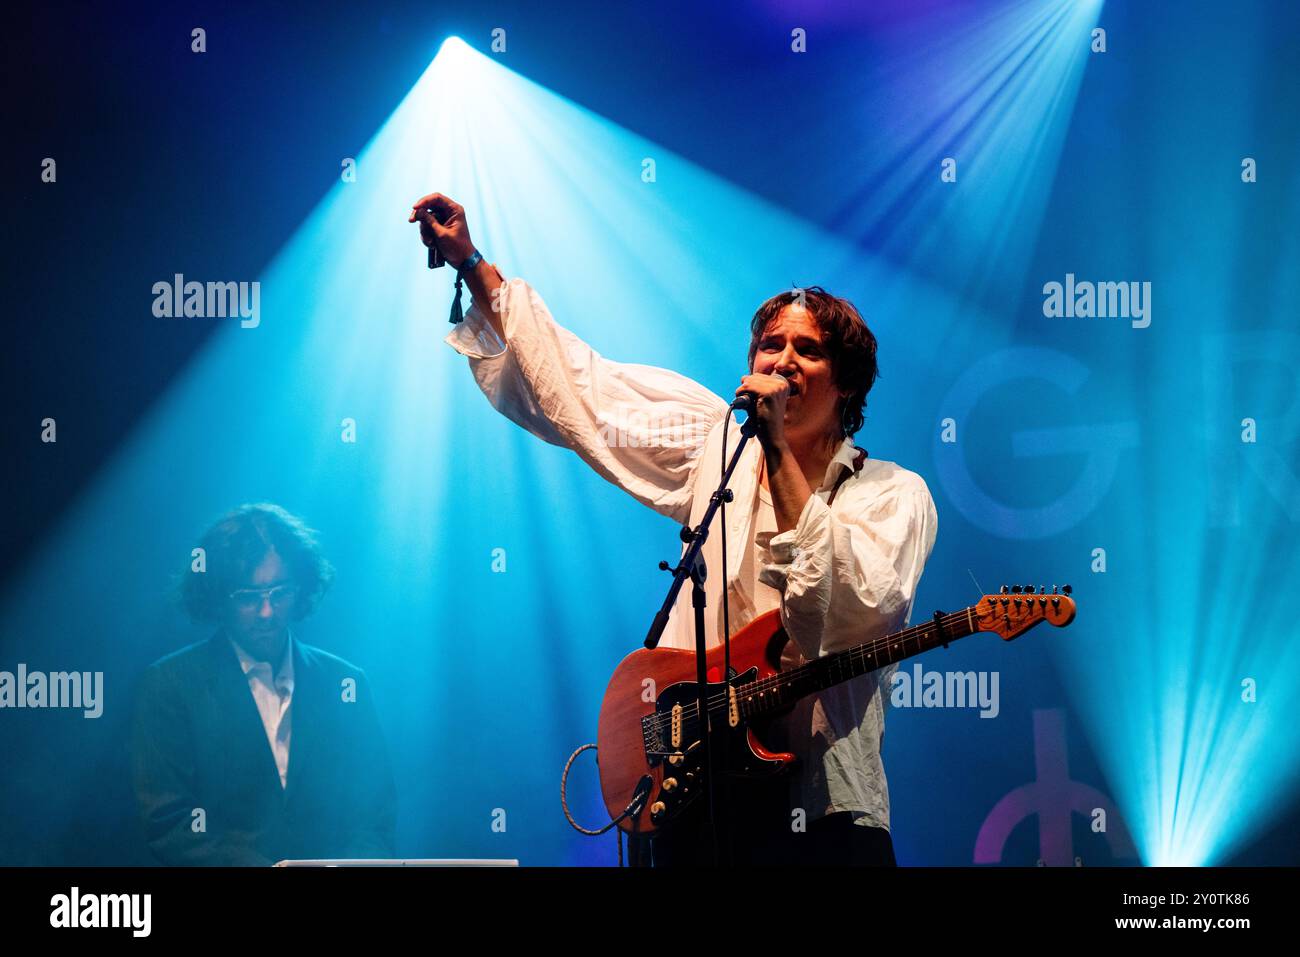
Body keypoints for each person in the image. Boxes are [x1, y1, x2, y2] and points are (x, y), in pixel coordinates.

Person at [412, 193, 937, 866]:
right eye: (770, 344)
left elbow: (837, 620)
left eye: (806, 350)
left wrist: (776, 449)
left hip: (823, 811)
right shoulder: (715, 446)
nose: (781, 360)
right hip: (702, 801)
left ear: (847, 384)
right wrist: (472, 260)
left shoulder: (893, 495)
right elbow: (587, 392)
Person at [130, 503, 397, 865]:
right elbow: (170, 823)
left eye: (280, 592)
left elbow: (373, 813)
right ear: (217, 597)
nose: (267, 612)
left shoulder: (344, 682)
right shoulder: (170, 684)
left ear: (301, 588)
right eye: (248, 597)